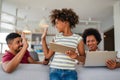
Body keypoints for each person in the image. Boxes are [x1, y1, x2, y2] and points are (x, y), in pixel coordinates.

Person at [41, 8, 85, 80]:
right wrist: (43, 39)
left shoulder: (78, 39)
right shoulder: (56, 38)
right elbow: (47, 56)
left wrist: (76, 56)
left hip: (70, 72)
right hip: (54, 70)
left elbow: (83, 59)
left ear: (65, 22)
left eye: (57, 23)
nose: (56, 26)